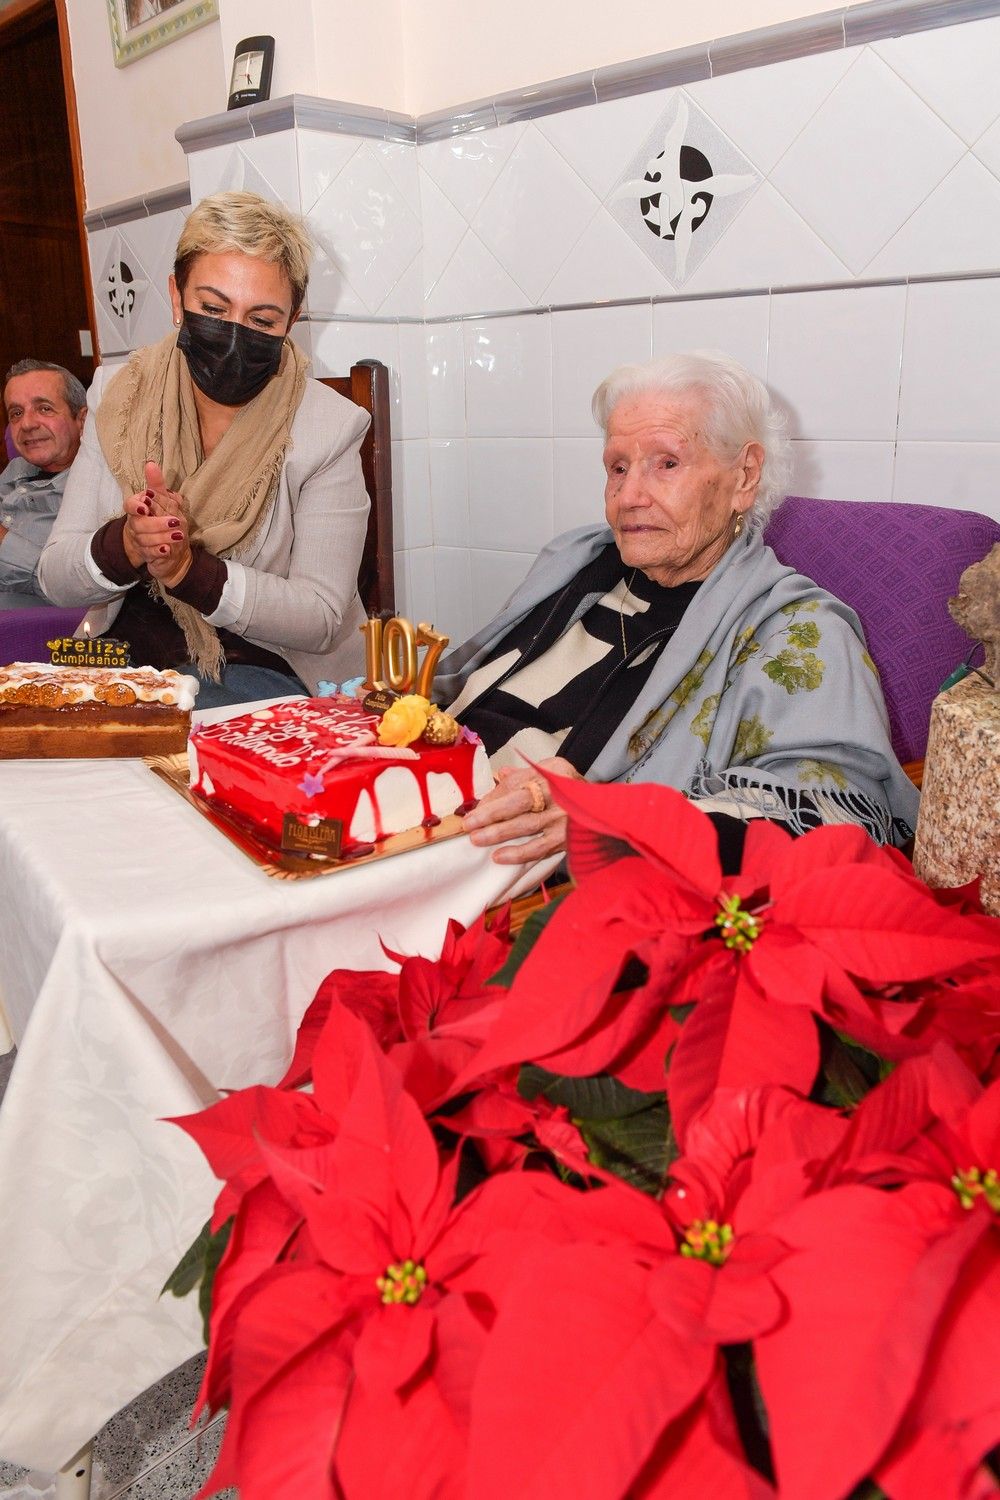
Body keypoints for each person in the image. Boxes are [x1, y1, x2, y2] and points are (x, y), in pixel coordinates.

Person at [436, 352, 920, 869]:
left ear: (744, 477)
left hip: (541, 877)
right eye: (618, 468)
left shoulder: (797, 633)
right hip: (426, 817)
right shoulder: (574, 561)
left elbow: (837, 820)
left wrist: (614, 821)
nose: (630, 496)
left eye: (666, 463)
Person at [38, 191, 370, 705]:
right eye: (213, 308)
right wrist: (127, 545)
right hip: (125, 655)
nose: (234, 335)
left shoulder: (330, 427)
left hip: (261, 662)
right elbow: (57, 578)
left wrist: (189, 572)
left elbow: (322, 618)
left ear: (292, 320)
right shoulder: (118, 396)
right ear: (177, 298)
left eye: (261, 321)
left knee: (180, 749)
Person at [0, 360, 87, 609]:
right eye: (16, 413)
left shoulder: (98, 487)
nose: (27, 424)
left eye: (44, 409)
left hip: (32, 633)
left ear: (82, 419)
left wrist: (4, 541)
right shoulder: (15, 471)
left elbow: (77, 587)